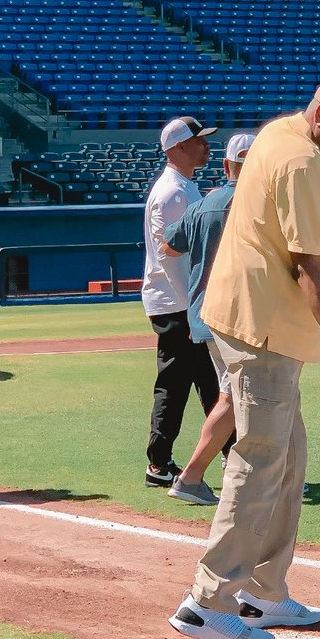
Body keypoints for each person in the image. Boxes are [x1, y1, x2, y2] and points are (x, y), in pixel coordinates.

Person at [168, 76, 320, 639]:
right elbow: (306, 269)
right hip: (261, 328)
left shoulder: (277, 134)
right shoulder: (303, 164)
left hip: (257, 322)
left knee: (287, 459)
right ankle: (209, 600)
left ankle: (263, 592)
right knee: (261, 459)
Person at [160, 132, 255, 505]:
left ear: (227, 165)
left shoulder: (205, 202)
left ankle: (245, 471)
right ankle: (192, 476)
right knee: (239, 398)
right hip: (241, 315)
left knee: (235, 396)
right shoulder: (256, 201)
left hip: (205, 314)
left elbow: (169, 245)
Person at [141, 116, 223, 489]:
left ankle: (226, 453)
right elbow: (171, 256)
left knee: (207, 382)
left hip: (181, 302)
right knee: (179, 385)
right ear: (177, 148)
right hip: (177, 304)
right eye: (198, 140)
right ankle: (159, 464)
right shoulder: (174, 192)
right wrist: (194, 308)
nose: (206, 145)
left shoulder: (184, 187)